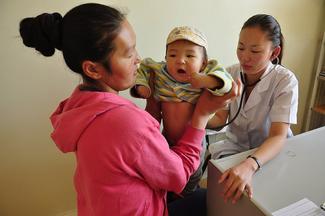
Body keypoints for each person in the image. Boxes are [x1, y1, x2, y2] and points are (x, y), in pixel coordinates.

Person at [19, 3, 240, 216]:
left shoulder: (79, 106)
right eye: (129, 53)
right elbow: (178, 177)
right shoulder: (126, 122)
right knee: (210, 199)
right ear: (93, 69)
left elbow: (134, 152)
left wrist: (153, 103)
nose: (139, 59)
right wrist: (201, 115)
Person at [130, 26, 233, 198]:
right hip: (166, 140)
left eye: (190, 55)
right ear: (165, 58)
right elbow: (143, 69)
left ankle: (189, 196)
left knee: (190, 180)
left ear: (204, 63)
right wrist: (142, 87)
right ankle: (169, 200)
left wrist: (208, 80)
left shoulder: (207, 73)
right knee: (164, 178)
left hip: (194, 143)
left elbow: (227, 82)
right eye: (173, 55)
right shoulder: (160, 73)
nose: (180, 60)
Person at [208, 14, 298, 204]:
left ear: (274, 53)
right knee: (228, 197)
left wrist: (250, 164)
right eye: (240, 47)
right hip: (235, 149)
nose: (245, 57)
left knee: (265, 201)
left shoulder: (284, 81)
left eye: (255, 51)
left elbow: (277, 136)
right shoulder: (229, 74)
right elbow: (220, 120)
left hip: (270, 153)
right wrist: (196, 116)